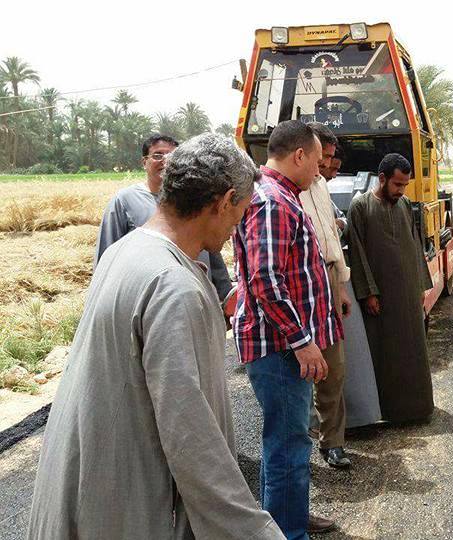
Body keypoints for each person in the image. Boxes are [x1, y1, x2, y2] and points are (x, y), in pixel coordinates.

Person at [28, 134, 284, 540]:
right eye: (240, 213)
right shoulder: (173, 286)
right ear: (224, 200)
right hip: (130, 505)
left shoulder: (125, 252)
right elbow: (192, 439)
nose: (238, 227)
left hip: (89, 487)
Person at [233, 120, 343, 538]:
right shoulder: (273, 201)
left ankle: (284, 522)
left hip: (283, 345)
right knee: (287, 448)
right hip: (280, 348)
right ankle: (286, 532)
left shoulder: (279, 196)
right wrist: (302, 342)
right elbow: (265, 278)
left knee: (286, 445)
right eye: (316, 161)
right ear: (299, 156)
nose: (319, 170)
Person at [348, 153, 435, 423]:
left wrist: (421, 284)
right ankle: (390, 413)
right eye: (397, 185)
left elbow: (413, 244)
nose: (401, 191)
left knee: (414, 348)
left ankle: (418, 409)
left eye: (405, 185)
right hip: (381, 296)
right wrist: (369, 292)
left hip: (408, 291)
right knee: (385, 352)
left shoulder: (406, 204)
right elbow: (357, 254)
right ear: (383, 179)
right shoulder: (360, 206)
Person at [94, 134, 232, 300]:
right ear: (144, 162)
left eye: (173, 156)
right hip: (150, 298)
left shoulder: (196, 199)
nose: (165, 161)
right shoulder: (124, 201)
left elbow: (211, 251)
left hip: (196, 294)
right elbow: (107, 255)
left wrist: (225, 294)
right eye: (157, 155)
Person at [299, 124, 353, 469]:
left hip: (330, 281)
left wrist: (342, 285)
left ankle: (332, 442)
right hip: (303, 283)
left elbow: (333, 239)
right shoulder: (284, 192)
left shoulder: (319, 188)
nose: (327, 165)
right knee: (302, 371)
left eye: (330, 157)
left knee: (335, 368)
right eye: (324, 157)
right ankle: (300, 449)